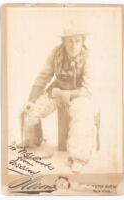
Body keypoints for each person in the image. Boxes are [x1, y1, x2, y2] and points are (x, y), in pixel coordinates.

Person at [18, 24, 94, 172]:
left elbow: (88, 90)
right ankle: (33, 140)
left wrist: (64, 94)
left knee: (83, 114)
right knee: (31, 110)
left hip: (79, 95)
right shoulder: (56, 53)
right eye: (69, 41)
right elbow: (43, 78)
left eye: (77, 41)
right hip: (57, 90)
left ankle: (78, 158)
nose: (73, 45)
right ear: (63, 41)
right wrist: (31, 100)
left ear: (83, 41)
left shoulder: (89, 57)